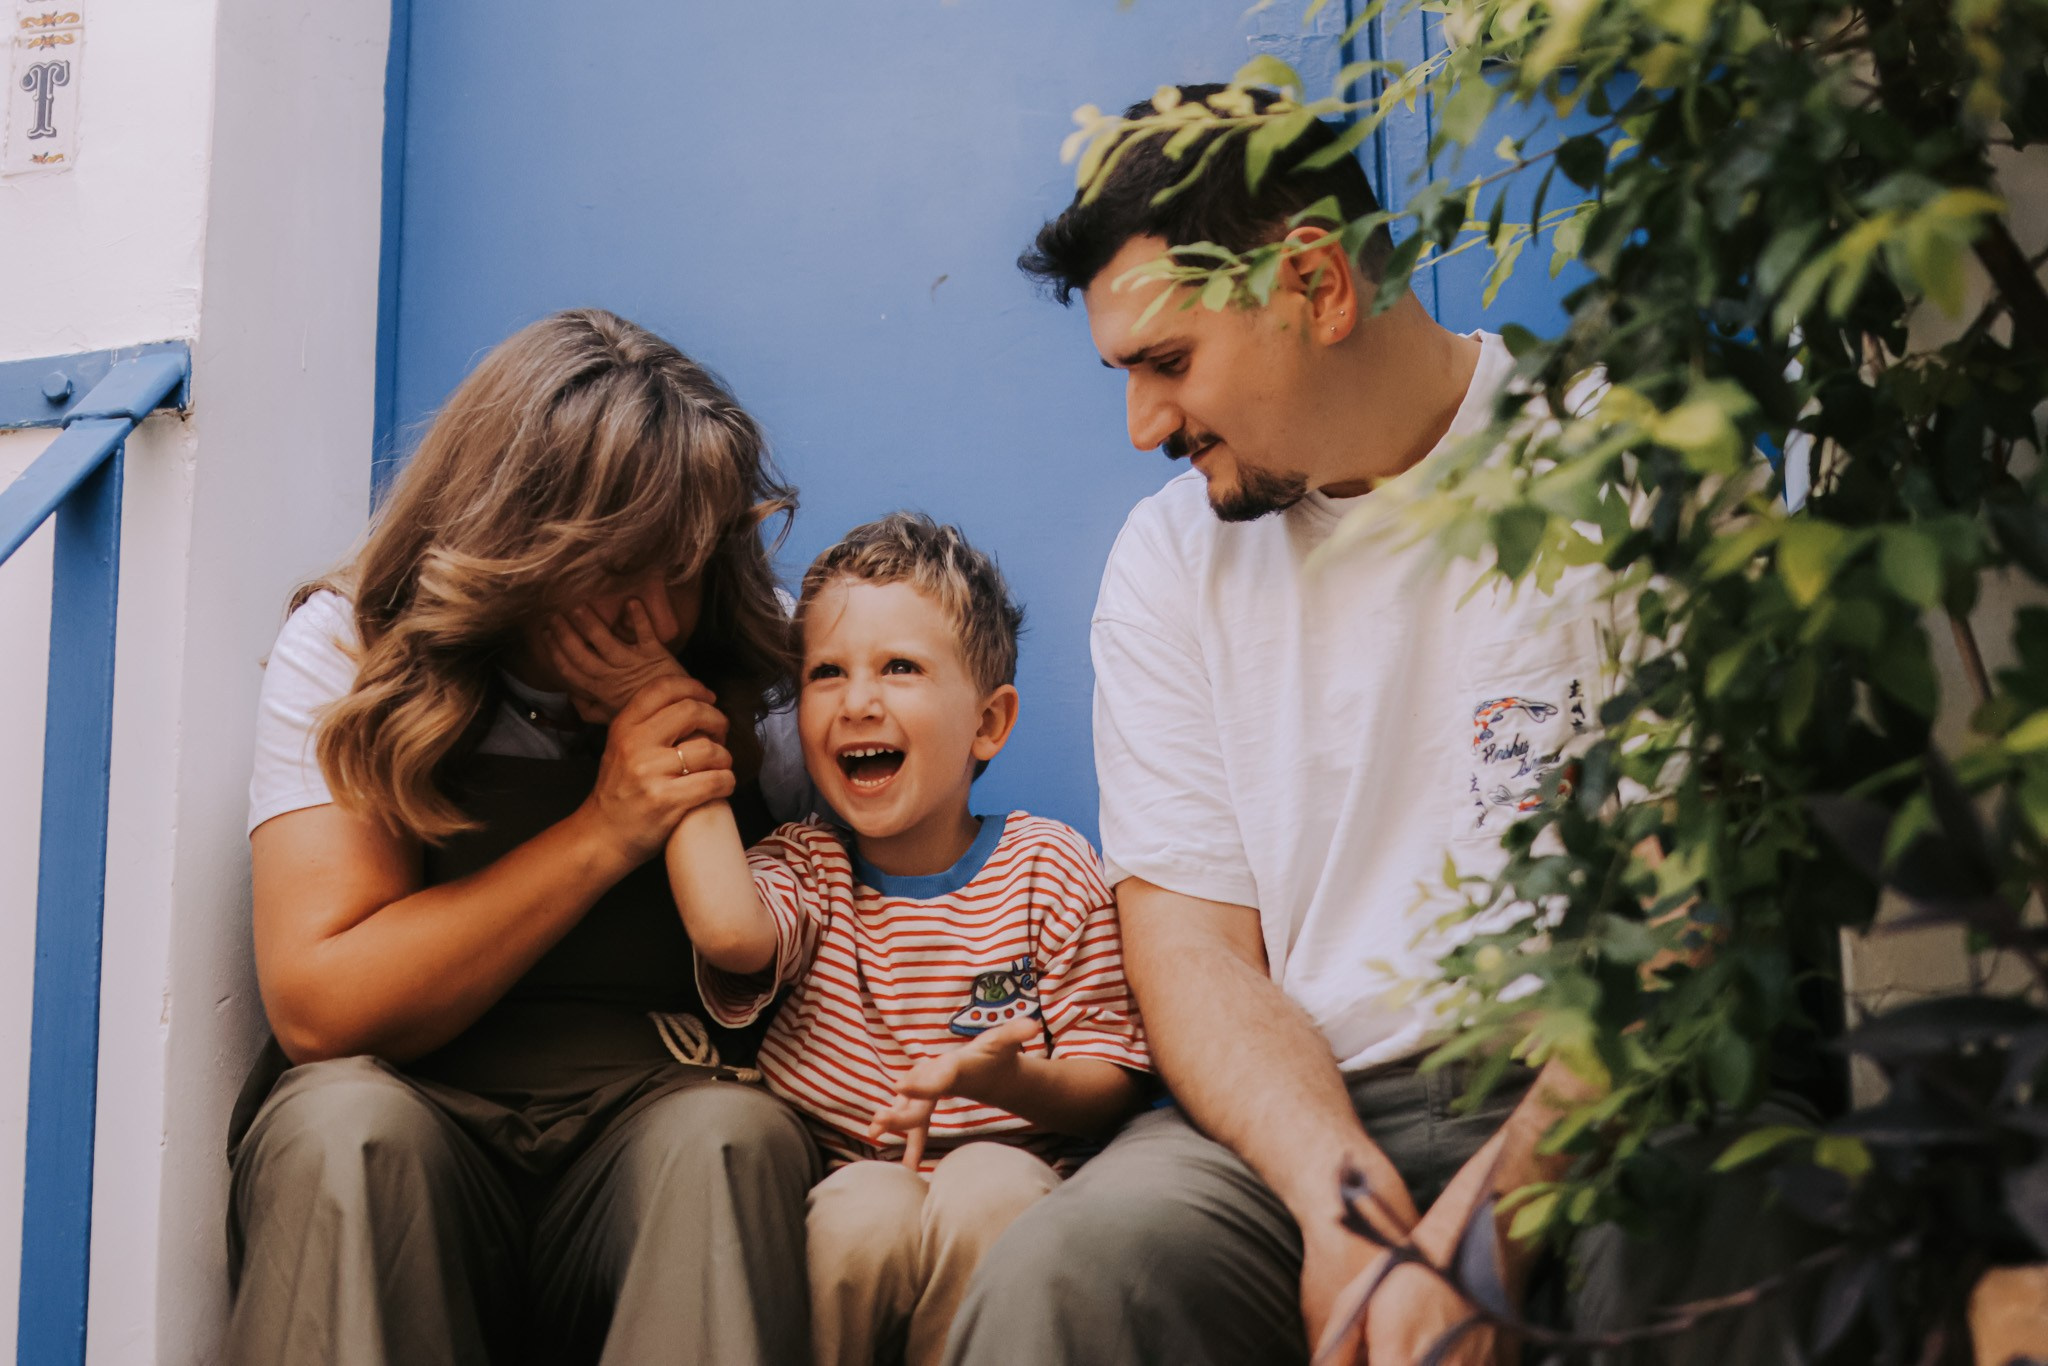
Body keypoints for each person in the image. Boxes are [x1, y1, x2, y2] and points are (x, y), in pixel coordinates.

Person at [942, 85, 1815, 1366]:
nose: (1142, 427)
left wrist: (1492, 1222)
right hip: (1294, 1113)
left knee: (1721, 1213)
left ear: (1317, 285)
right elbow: (1190, 954)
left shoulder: (1629, 480)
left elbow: (1681, 924)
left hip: (1608, 1093)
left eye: (1166, 362)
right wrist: (1338, 1199)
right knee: (1075, 1271)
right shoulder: (1166, 563)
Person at [229, 308, 821, 1365]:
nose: (650, 612)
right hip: (414, 1118)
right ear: (513, 539)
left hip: (659, 1113)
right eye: (611, 567)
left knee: (732, 1141)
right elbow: (320, 1003)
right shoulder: (353, 645)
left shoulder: (765, 658)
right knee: (342, 1132)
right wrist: (606, 828)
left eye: (677, 568)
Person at [550, 511, 1151, 1366]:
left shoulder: (1048, 867)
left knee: (991, 1185)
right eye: (826, 674)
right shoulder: (807, 867)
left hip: (1017, 1175)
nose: (858, 700)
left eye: (900, 668)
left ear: (988, 723)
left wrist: (1010, 1080)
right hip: (846, 1191)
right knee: (866, 1209)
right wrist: (659, 703)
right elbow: (729, 930)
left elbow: (1111, 1081)